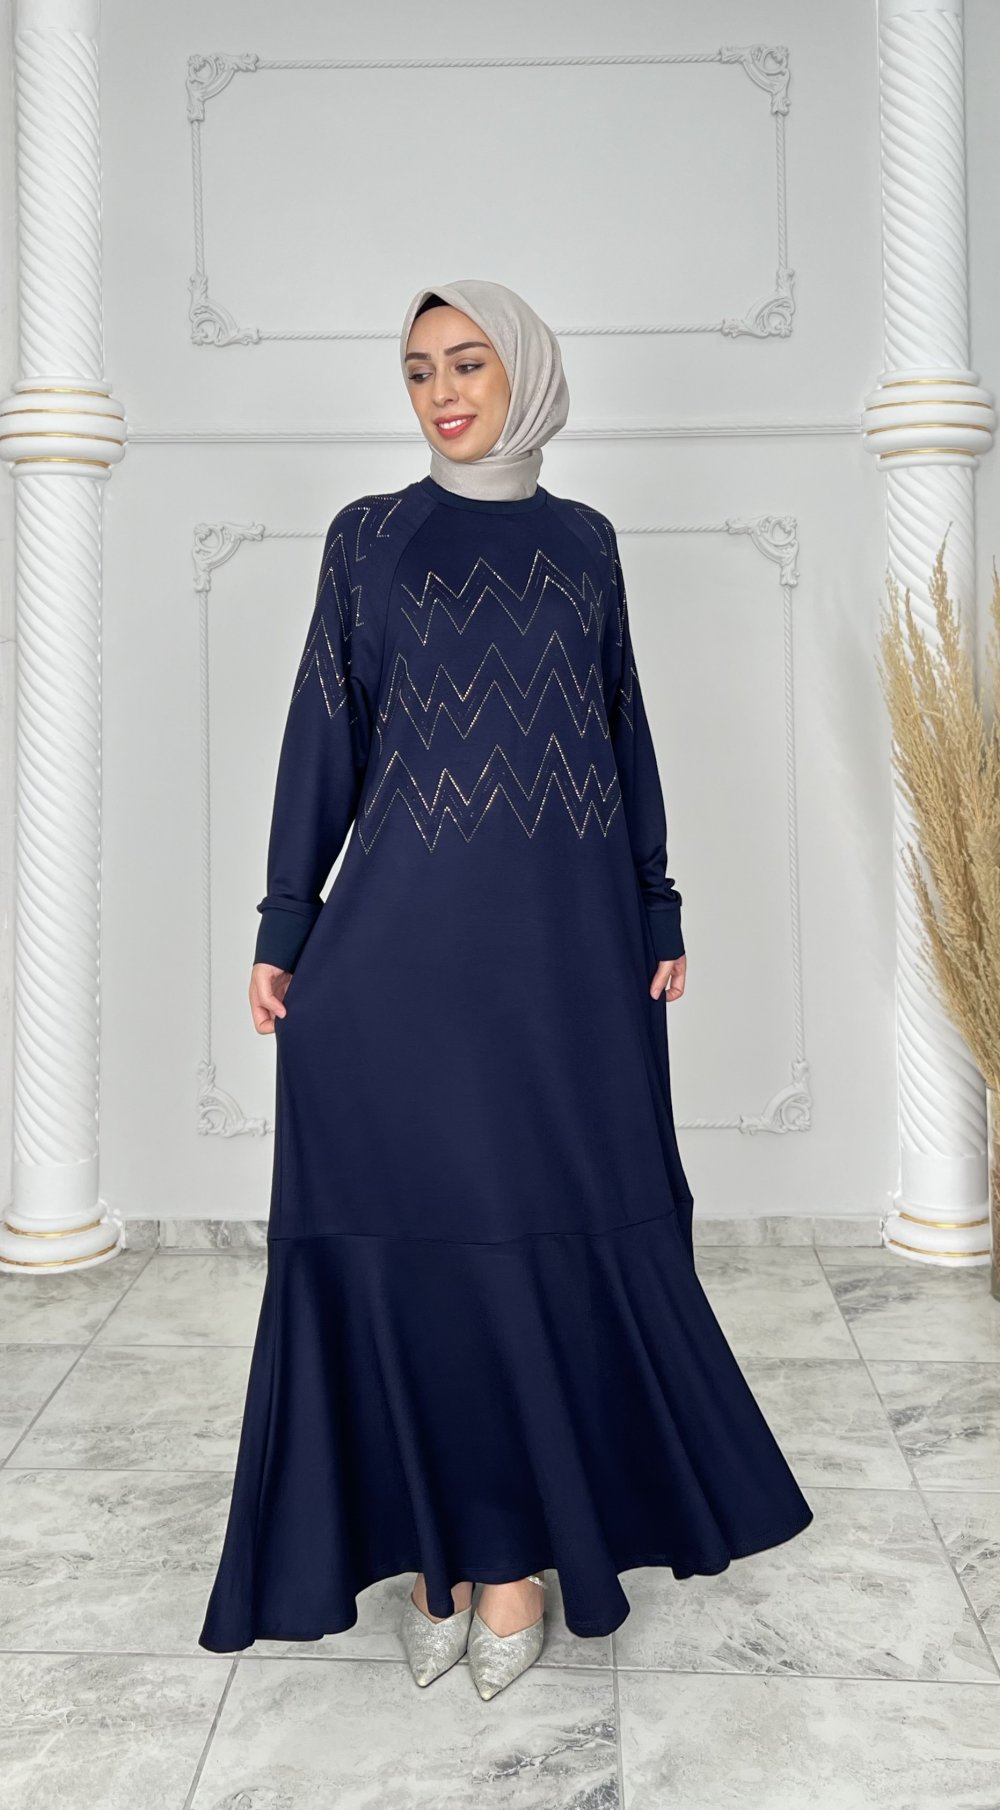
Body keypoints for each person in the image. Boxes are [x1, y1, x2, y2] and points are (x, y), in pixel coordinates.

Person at [197, 278, 814, 1699]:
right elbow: (323, 735)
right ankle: (441, 1549)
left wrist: (656, 900)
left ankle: (519, 1554)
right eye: (419, 371)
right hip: (397, 967)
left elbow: (620, 731)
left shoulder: (585, 542)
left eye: (468, 363)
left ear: (524, 370)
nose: (442, 393)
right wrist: (286, 925)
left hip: (562, 965)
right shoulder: (369, 537)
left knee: (541, 1248)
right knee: (419, 1256)